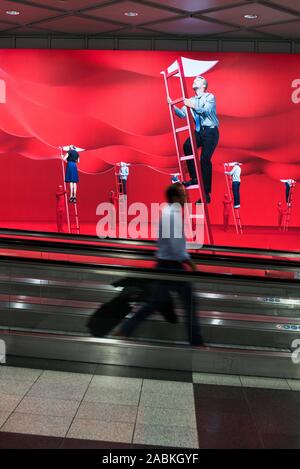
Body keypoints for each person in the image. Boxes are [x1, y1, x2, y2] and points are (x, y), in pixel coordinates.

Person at [117, 183, 203, 346]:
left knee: (155, 303)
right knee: (189, 303)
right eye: (183, 194)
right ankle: (196, 341)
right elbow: (176, 245)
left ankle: (126, 329)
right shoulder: (172, 215)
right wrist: (189, 262)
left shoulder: (170, 213)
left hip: (165, 264)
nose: (186, 197)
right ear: (175, 198)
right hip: (172, 266)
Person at [168, 75, 219, 204]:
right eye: (195, 79)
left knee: (204, 160)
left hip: (211, 131)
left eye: (198, 80)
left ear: (203, 86)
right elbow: (182, 115)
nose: (195, 81)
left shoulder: (210, 97)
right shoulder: (191, 99)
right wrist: (172, 106)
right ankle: (195, 178)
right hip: (199, 131)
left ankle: (206, 195)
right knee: (187, 146)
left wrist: (192, 105)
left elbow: (206, 111)